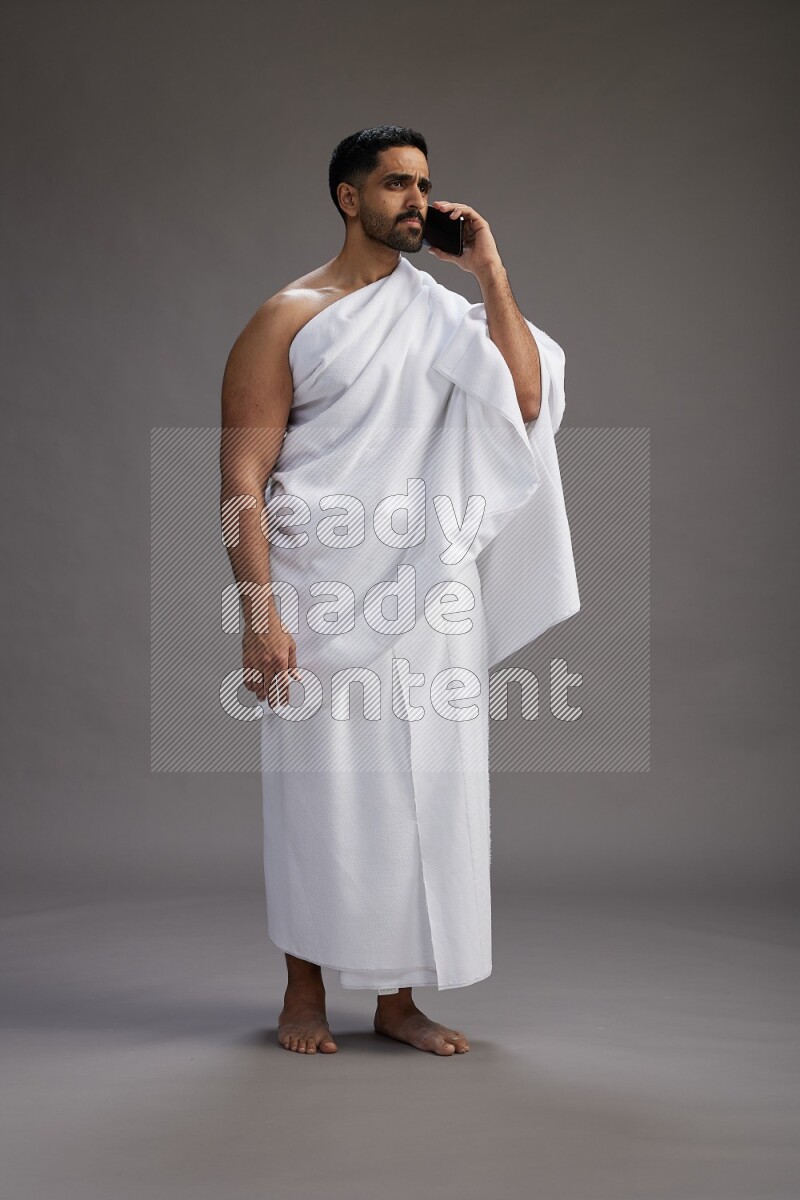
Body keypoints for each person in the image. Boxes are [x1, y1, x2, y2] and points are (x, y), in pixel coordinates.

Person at [220, 126, 579, 1056]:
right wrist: (258, 615)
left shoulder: (446, 313)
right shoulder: (288, 315)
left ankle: (396, 1000)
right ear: (349, 197)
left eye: (423, 185)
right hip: (318, 592)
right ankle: (304, 991)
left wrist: (489, 273)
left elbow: (526, 401)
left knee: (428, 788)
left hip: (428, 594)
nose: (416, 201)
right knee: (319, 792)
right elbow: (240, 480)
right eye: (394, 185)